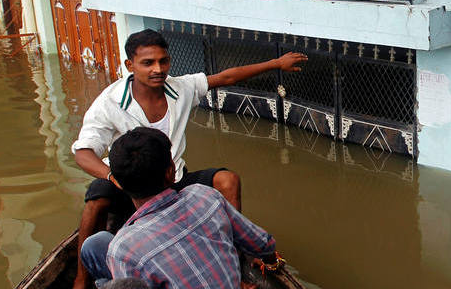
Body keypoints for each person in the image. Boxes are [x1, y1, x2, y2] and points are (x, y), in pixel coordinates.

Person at [72, 29, 305, 289]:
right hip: (131, 183)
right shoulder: (109, 103)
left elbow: (226, 77)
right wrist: (112, 177)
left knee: (228, 180)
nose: (158, 69)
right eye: (148, 63)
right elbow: (83, 152)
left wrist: (275, 64)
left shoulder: (180, 87)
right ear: (130, 65)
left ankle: (234, 266)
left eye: (163, 61)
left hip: (173, 178)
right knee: (95, 199)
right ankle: (81, 279)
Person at [81, 127, 279, 289]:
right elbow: (264, 244)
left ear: (117, 182)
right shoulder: (204, 194)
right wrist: (272, 262)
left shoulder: (123, 248)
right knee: (97, 244)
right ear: (170, 172)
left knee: (94, 246)